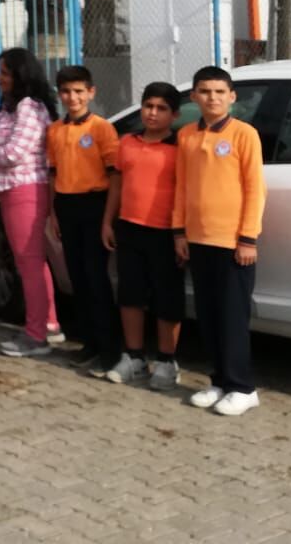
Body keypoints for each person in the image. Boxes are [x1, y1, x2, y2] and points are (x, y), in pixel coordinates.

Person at [174, 66, 266, 416]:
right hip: (198, 239)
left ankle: (242, 387)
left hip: (232, 243)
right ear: (194, 96)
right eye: (204, 91)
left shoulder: (245, 134)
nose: (212, 98)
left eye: (219, 91)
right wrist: (179, 232)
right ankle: (219, 381)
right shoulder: (186, 135)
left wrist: (248, 238)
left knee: (231, 317)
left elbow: (255, 189)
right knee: (208, 315)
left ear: (232, 96)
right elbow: (182, 187)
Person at [0, 47, 59, 359]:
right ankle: (49, 323)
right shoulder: (9, 107)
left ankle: (36, 336)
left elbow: (15, 152)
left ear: (20, 75)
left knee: (29, 264)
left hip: (25, 189)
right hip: (12, 190)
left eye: (5, 73)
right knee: (34, 261)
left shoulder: (29, 107)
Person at [104, 82, 185, 389]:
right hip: (129, 228)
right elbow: (116, 184)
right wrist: (108, 221)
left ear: (174, 115)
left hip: (166, 232)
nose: (152, 113)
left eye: (161, 108)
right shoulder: (127, 142)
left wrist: (181, 233)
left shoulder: (180, 147)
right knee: (130, 295)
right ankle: (135, 357)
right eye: (148, 106)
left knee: (167, 298)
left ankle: (167, 361)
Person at [45, 65, 121, 374]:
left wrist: (107, 221)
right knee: (76, 277)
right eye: (66, 92)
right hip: (67, 206)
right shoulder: (54, 130)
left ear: (91, 92)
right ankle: (88, 343)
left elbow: (115, 177)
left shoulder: (102, 128)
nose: (72, 97)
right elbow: (53, 175)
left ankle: (110, 350)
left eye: (78, 91)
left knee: (96, 278)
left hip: (95, 206)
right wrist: (54, 214)